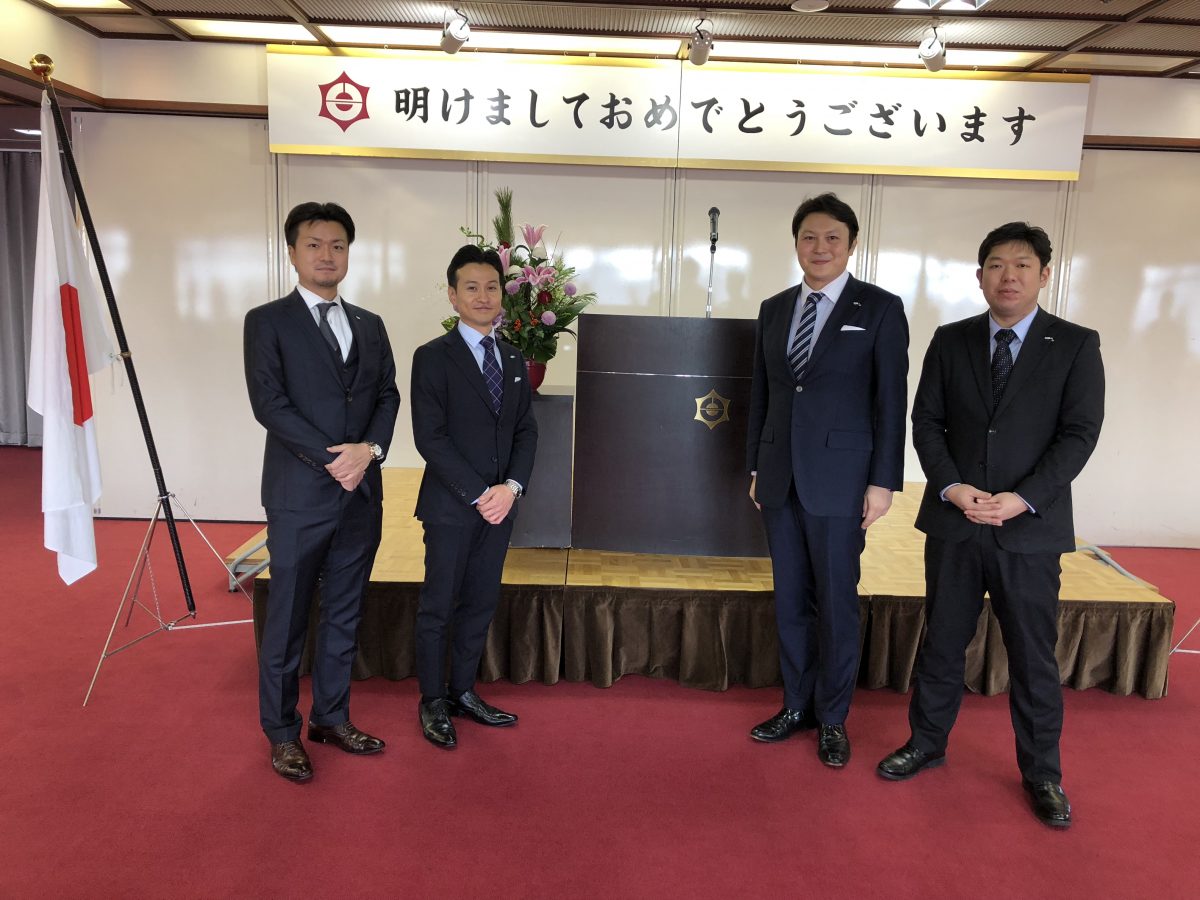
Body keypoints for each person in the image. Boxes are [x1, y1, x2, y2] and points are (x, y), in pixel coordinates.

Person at [876, 222, 1104, 830]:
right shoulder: (950, 340)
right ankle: (926, 742)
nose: (1009, 276)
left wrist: (1023, 499)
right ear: (979, 276)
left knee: (1032, 655)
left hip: (1028, 529)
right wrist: (952, 487)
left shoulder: (1076, 344)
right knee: (942, 642)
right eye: (997, 265)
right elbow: (927, 422)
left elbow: (1079, 435)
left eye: (1022, 265)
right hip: (956, 522)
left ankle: (1043, 773)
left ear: (1044, 275)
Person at [746, 193, 909, 767]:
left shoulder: (880, 309)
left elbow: (891, 401)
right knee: (790, 598)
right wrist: (757, 464)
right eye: (809, 237)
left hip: (842, 480)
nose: (820, 248)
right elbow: (763, 392)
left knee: (837, 601)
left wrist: (883, 481)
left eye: (832, 238)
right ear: (796, 243)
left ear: (851, 244)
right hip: (780, 477)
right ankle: (796, 705)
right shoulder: (774, 308)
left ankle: (833, 717)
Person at [244, 201, 400, 782]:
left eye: (337, 245)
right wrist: (336, 459)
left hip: (361, 493)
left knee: (344, 611)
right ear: (292, 253)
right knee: (287, 617)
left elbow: (387, 396)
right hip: (300, 494)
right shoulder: (267, 321)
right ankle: (282, 733)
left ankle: (331, 717)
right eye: (314, 245)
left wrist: (371, 450)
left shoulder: (369, 323)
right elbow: (270, 404)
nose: (327, 255)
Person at [409, 244, 538, 750]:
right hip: (451, 507)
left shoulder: (512, 357)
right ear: (452, 295)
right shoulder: (432, 357)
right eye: (471, 287)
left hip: (500, 508)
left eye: (491, 287)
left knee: (481, 602)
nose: (483, 296)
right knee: (438, 605)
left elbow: (526, 430)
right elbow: (431, 438)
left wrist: (511, 488)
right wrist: (481, 493)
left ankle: (463, 691)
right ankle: (432, 700)